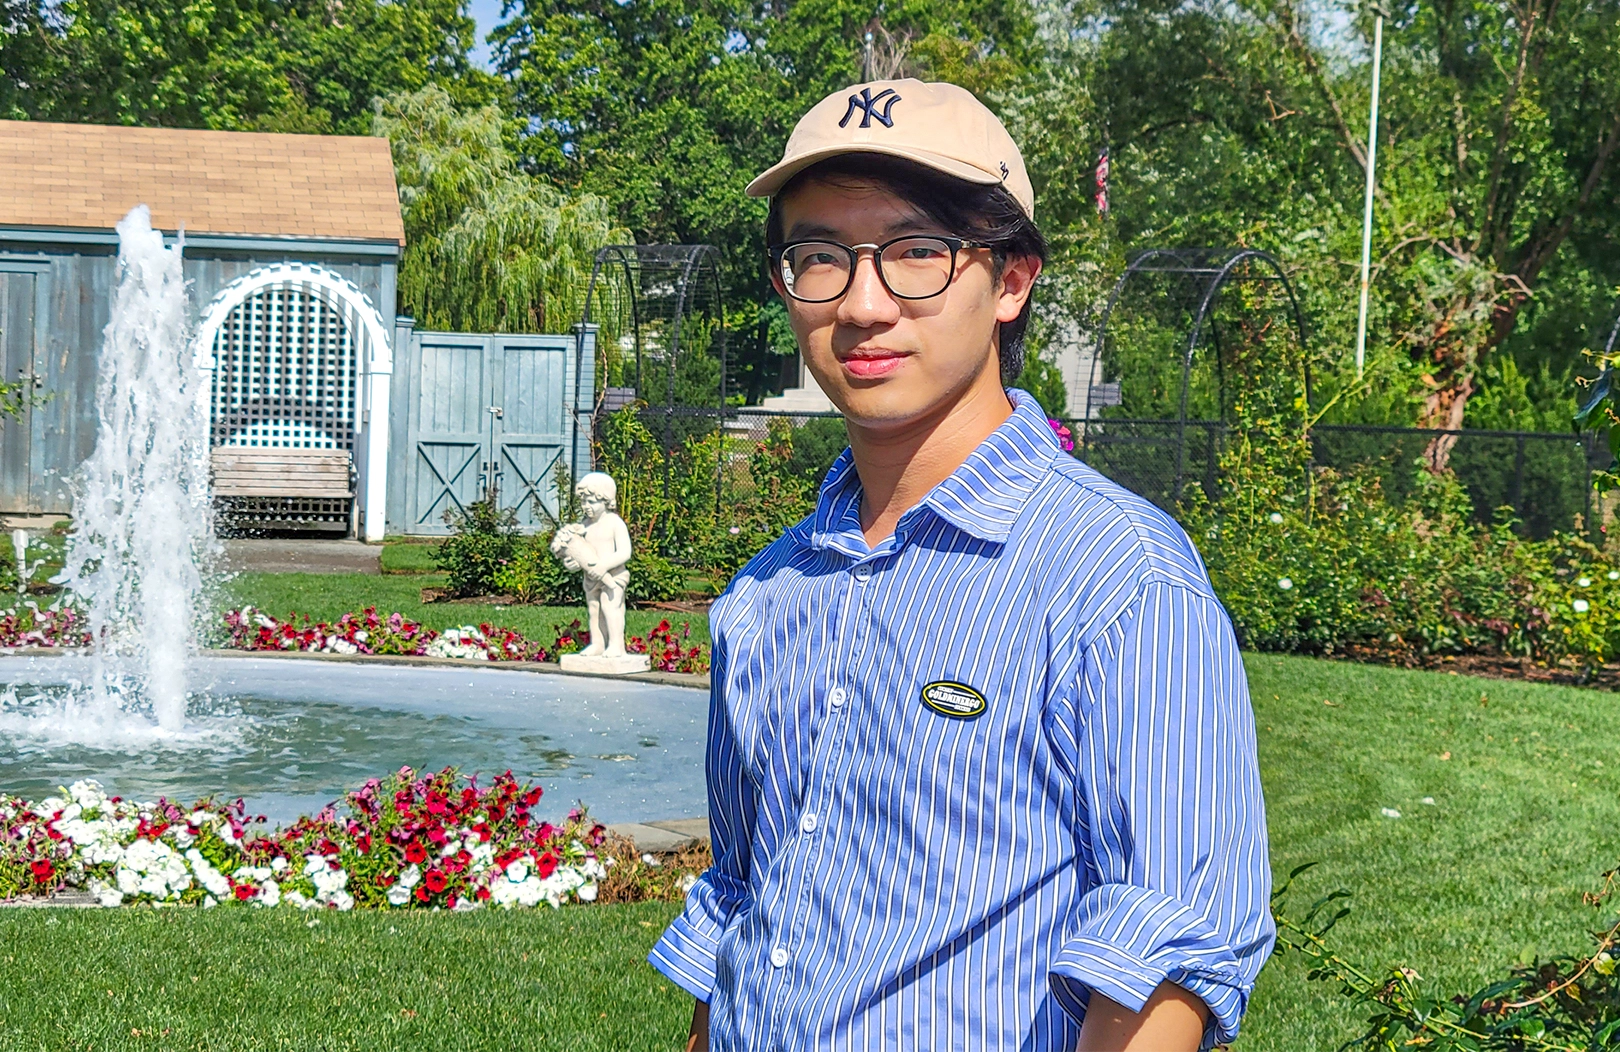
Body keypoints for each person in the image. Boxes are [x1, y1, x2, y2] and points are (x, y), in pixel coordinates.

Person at [649, 78, 1272, 1051]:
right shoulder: (767, 593)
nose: (861, 305)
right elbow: (742, 894)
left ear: (1012, 278)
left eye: (915, 255)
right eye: (818, 257)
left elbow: (1165, 957)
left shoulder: (1116, 576)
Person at [571, 471, 632, 657]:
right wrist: (574, 562)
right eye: (583, 502)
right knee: (594, 609)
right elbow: (580, 550)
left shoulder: (614, 523)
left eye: (591, 502)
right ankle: (597, 643)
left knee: (610, 606)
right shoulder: (584, 525)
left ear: (606, 501)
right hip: (591, 578)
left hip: (614, 576)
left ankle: (616, 644)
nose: (586, 506)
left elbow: (624, 552)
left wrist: (604, 565)